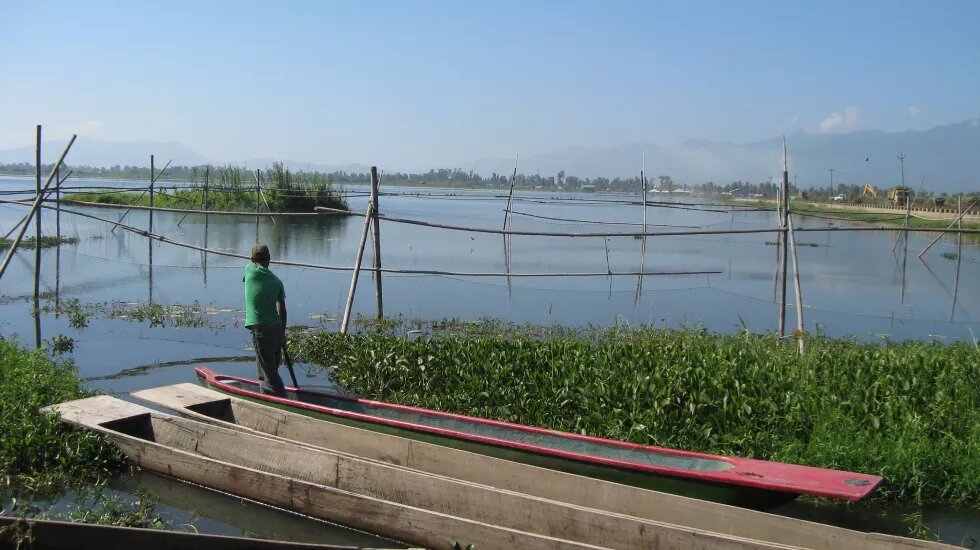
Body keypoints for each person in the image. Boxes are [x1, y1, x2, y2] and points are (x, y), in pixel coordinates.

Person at [243, 243, 287, 396]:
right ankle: (268, 398)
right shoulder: (277, 282)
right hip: (276, 329)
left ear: (252, 259)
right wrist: (282, 334)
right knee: (270, 371)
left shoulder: (249, 272)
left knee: (269, 375)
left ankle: (282, 402)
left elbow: (251, 265)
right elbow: (282, 309)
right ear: (269, 260)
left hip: (261, 330)